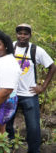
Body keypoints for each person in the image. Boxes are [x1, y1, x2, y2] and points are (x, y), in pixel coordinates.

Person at [6, 24, 56, 153]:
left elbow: (52, 67)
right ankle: (9, 147)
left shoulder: (36, 50)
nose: (22, 36)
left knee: (33, 127)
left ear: (30, 35)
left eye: (25, 34)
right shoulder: (10, 47)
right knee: (7, 123)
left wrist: (43, 87)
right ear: (16, 34)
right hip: (11, 94)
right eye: (20, 33)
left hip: (29, 94)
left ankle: (34, 150)